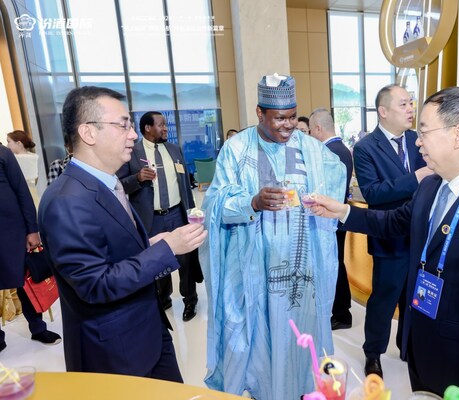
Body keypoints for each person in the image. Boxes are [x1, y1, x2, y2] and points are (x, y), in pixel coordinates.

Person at [309, 86, 459, 399]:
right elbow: (394, 222)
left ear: (458, 135)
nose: (417, 141)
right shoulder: (431, 186)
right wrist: (342, 212)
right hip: (425, 347)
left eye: (424, 131)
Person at [38, 86, 206, 381]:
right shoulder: (67, 200)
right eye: (123, 125)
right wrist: (165, 250)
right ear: (89, 133)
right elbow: (95, 284)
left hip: (147, 331)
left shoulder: (106, 184)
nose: (132, 135)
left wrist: (151, 243)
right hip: (115, 353)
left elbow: (112, 250)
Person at [199, 74, 346, 400]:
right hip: (253, 271)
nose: (288, 125)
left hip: (302, 272)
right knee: (257, 343)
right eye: (279, 118)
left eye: (293, 116)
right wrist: (252, 202)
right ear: (260, 113)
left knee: (301, 337)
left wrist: (320, 196)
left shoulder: (310, 148)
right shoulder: (237, 149)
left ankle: (301, 390)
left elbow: (337, 173)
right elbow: (215, 205)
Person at [352, 84, 432, 378]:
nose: (411, 109)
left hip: (421, 235)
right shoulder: (365, 148)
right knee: (384, 299)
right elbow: (373, 193)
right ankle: (373, 353)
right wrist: (416, 178)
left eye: (411, 103)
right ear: (383, 111)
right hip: (388, 236)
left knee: (414, 297)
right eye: (404, 104)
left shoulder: (417, 140)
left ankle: (407, 346)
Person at [117, 111, 201, 322]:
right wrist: (137, 178)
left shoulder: (174, 149)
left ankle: (190, 299)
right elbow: (119, 185)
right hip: (151, 218)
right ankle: (164, 298)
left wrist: (191, 212)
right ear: (147, 128)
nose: (165, 128)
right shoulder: (133, 152)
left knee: (186, 260)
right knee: (158, 259)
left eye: (165, 124)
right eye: (161, 125)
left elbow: (185, 183)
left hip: (177, 214)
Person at [0, 143, 62, 351]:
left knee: (25, 281)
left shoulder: (3, 153)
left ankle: (38, 328)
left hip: (12, 232)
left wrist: (32, 230)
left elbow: (22, 192)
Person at [308, 107, 354, 330]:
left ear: (318, 128)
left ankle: (341, 313)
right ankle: (339, 310)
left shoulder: (330, 152)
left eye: (310, 130)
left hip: (332, 219)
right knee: (336, 264)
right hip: (335, 218)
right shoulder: (341, 149)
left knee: (335, 265)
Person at [6, 130, 40, 206]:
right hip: (33, 195)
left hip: (21, 197)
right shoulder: (33, 158)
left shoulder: (15, 160)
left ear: (18, 143)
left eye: (9, 142)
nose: (7, 145)